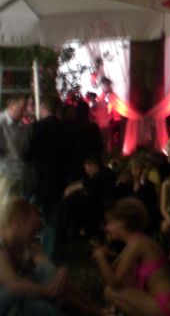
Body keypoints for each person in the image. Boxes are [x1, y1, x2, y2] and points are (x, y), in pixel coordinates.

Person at [0, 198, 101, 316]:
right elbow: (14, 285)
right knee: (37, 306)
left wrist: (61, 273)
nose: (37, 230)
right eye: (34, 226)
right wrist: (48, 291)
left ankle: (97, 311)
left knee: (50, 275)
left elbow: (48, 268)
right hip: (6, 302)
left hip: (22, 295)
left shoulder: (29, 245)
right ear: (18, 223)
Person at [92, 197, 170, 316]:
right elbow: (115, 272)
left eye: (110, 223)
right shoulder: (137, 240)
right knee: (114, 290)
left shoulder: (137, 243)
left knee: (110, 292)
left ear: (122, 223)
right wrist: (106, 256)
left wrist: (100, 257)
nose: (106, 228)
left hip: (167, 307)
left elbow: (114, 284)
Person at [24, 96, 71, 257]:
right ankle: (46, 255)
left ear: (43, 108)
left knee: (25, 217)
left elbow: (27, 154)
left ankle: (22, 252)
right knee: (52, 222)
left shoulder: (36, 128)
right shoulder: (66, 129)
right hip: (57, 181)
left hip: (37, 181)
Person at [0, 96, 28, 195]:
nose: (23, 112)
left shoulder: (21, 125)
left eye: (24, 109)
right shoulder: (1, 122)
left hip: (18, 173)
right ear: (11, 106)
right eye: (20, 108)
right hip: (4, 173)